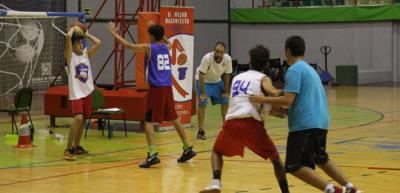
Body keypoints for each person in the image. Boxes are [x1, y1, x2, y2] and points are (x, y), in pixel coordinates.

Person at [250, 36, 363, 193]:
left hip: (305, 126)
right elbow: (300, 100)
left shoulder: (294, 70)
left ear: (288, 50)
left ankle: (331, 189)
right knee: (321, 158)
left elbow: (288, 100)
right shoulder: (310, 70)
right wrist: (283, 110)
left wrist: (260, 99)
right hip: (321, 122)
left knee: (293, 165)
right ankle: (351, 188)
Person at [200, 45, 290, 193]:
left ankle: (216, 182)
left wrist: (268, 108)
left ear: (250, 62)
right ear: (267, 64)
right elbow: (271, 92)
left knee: (216, 152)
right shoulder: (263, 78)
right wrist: (282, 93)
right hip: (251, 124)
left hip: (232, 122)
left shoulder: (237, 78)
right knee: (276, 160)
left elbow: (246, 99)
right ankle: (286, 191)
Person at [106, 22, 196, 168]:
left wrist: (113, 33)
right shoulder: (166, 48)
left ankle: (152, 153)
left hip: (157, 89)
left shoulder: (150, 48)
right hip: (167, 87)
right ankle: (187, 148)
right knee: (174, 118)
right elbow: (170, 43)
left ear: (153, 36)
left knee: (148, 121)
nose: (148, 36)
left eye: (149, 34)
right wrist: (161, 33)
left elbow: (128, 45)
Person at [64, 23, 101, 160]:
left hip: (87, 93)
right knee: (78, 118)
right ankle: (68, 148)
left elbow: (98, 43)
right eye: (78, 43)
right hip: (76, 94)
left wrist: (86, 34)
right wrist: (74, 27)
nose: (81, 45)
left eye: (82, 42)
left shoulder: (85, 55)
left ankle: (77, 146)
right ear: (73, 45)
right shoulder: (70, 57)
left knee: (84, 119)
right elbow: (68, 37)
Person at [195, 42, 232, 140]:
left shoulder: (227, 59)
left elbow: (227, 75)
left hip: (216, 80)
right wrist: (203, 93)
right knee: (202, 103)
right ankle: (201, 131)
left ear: (224, 53)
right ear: (214, 50)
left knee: (225, 101)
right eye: (217, 51)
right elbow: (201, 75)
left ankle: (226, 130)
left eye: (221, 52)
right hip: (203, 81)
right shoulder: (207, 58)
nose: (218, 54)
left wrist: (225, 91)